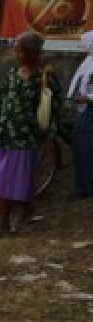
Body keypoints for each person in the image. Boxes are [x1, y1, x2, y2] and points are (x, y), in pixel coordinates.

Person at [0, 31, 58, 233]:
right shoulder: (13, 73)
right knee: (12, 177)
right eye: (16, 50)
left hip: (24, 136)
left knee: (9, 178)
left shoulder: (45, 77)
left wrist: (50, 139)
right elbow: (1, 101)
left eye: (20, 51)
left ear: (34, 52)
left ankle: (3, 223)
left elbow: (54, 110)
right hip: (3, 133)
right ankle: (28, 210)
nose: (16, 54)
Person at [70, 30, 93, 199]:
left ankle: (87, 186)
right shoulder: (88, 61)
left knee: (87, 148)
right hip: (83, 110)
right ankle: (82, 184)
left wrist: (88, 97)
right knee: (81, 148)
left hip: (90, 112)